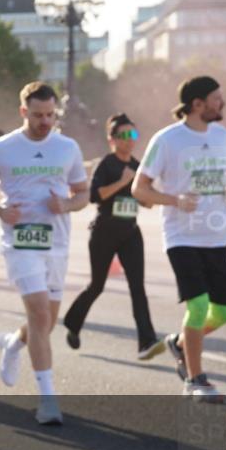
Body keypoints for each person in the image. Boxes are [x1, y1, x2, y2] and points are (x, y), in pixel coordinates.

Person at [0, 82, 88, 425]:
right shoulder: (1, 148)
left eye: (50, 114)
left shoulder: (68, 148)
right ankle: (48, 400)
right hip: (19, 242)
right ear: (23, 112)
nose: (45, 121)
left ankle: (12, 342)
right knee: (38, 313)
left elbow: (83, 193)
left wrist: (65, 203)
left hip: (57, 244)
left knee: (46, 322)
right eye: (38, 115)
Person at [133, 76, 226, 401]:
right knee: (197, 306)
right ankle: (195, 380)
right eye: (216, 98)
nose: (222, 103)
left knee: (223, 313)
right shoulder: (166, 140)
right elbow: (139, 188)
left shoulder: (221, 135)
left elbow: (215, 171)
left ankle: (181, 343)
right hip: (182, 236)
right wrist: (175, 200)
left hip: (218, 234)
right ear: (198, 104)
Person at [63, 113, 163, 359]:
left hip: (130, 232)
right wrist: (123, 182)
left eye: (134, 135)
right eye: (125, 135)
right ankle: (73, 324)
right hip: (104, 232)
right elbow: (95, 196)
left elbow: (147, 202)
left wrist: (146, 194)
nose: (130, 140)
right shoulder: (106, 164)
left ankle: (146, 342)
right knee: (97, 285)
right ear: (112, 140)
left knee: (137, 287)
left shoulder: (138, 166)